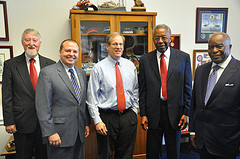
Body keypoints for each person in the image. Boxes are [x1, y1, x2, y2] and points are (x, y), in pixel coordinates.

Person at [139, 24, 192, 159]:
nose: (160, 41)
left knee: (173, 151)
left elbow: (187, 88)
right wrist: (143, 114)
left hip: (175, 112)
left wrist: (186, 113)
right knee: (152, 151)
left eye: (164, 37)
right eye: (156, 38)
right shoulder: (145, 60)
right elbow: (143, 89)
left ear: (170, 38)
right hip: (153, 112)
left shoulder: (183, 58)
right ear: (153, 40)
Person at [2, 28, 55, 159]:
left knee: (44, 156)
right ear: (22, 42)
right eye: (27, 40)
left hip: (46, 124)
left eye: (34, 40)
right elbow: (6, 95)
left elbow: (55, 95)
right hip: (22, 123)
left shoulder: (51, 65)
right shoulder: (11, 65)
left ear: (40, 43)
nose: (31, 43)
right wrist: (9, 121)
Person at [87, 32, 139, 159]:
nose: (118, 47)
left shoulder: (130, 65)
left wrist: (134, 110)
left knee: (126, 155)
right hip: (107, 118)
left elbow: (135, 90)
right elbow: (91, 97)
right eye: (115, 44)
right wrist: (97, 121)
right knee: (105, 154)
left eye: (120, 44)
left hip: (128, 117)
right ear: (108, 46)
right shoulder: (99, 68)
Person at [35, 39, 90, 159]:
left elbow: (81, 102)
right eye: (68, 50)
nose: (71, 54)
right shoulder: (48, 73)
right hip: (58, 135)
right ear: (60, 52)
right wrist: (50, 132)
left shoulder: (81, 73)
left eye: (75, 51)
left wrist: (85, 123)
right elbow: (42, 107)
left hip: (79, 134)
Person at [189, 32, 240, 159]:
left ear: (230, 47)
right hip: (203, 141)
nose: (214, 50)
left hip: (228, 141)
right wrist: (193, 131)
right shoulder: (200, 70)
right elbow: (195, 104)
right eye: (211, 47)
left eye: (219, 46)